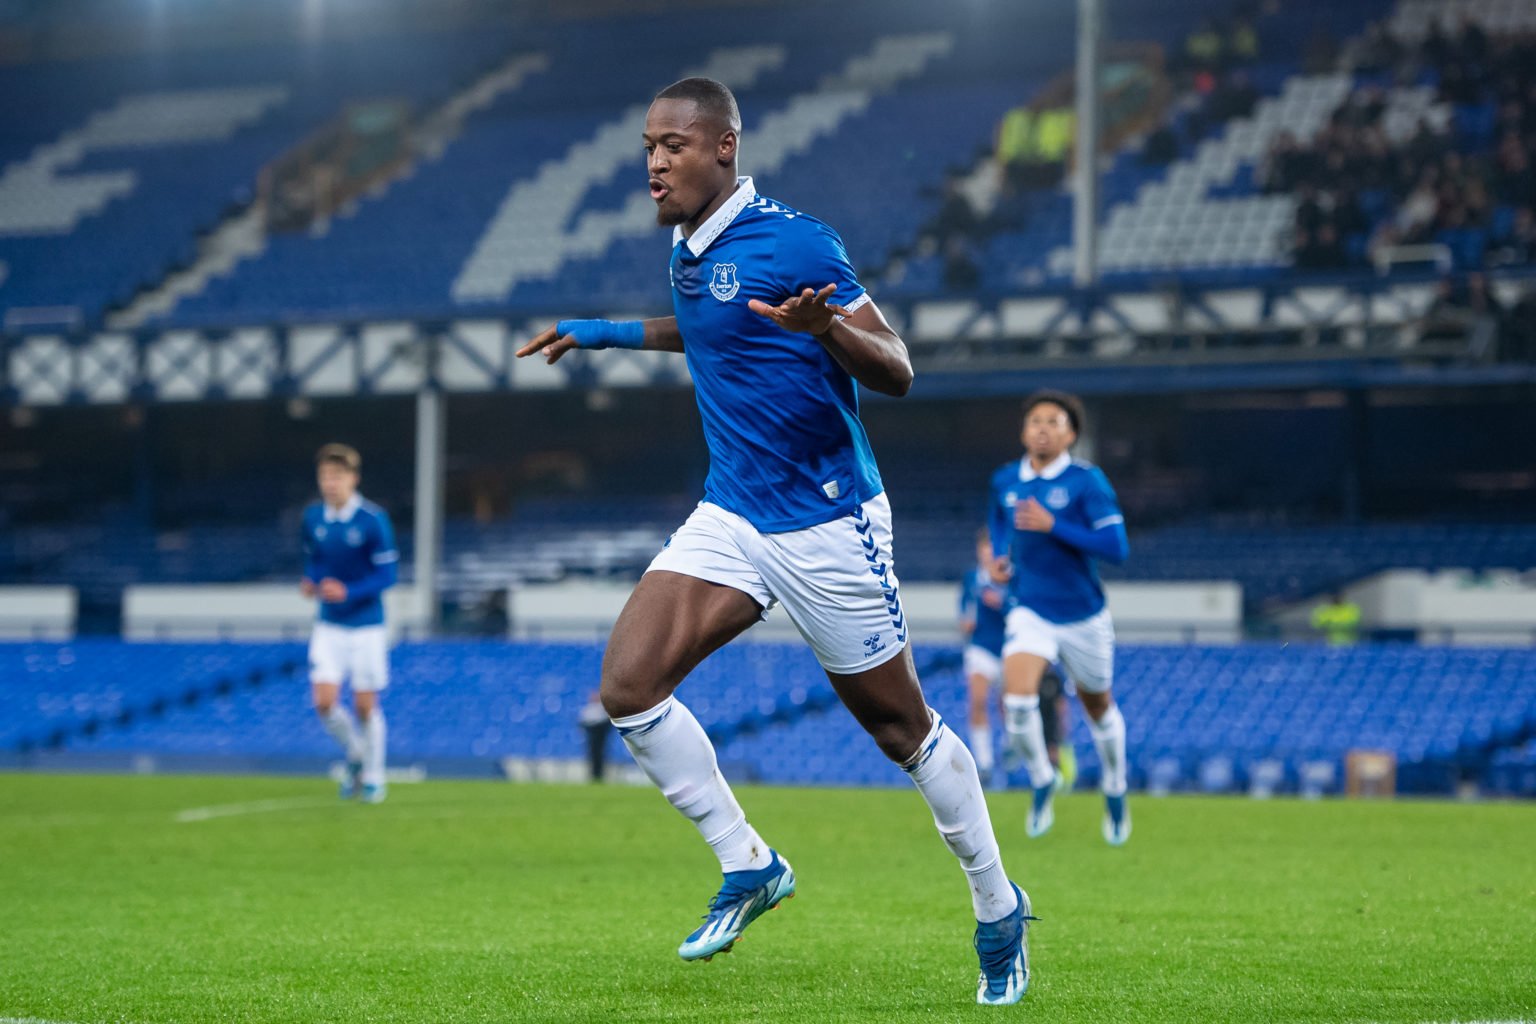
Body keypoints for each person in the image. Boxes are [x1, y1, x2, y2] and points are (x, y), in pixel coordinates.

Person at [517, 77, 1032, 1006]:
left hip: (829, 521)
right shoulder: (687, 245)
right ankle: (749, 864)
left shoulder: (798, 241)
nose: (654, 163)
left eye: (672, 145)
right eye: (646, 146)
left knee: (899, 729)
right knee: (628, 686)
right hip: (733, 512)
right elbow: (713, 333)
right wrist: (599, 333)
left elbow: (901, 370)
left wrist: (826, 325)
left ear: (724, 149)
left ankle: (998, 909)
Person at [986, 391, 1132, 846]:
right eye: (1035, 421)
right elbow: (996, 521)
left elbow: (1117, 548)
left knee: (1099, 707)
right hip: (1030, 608)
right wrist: (997, 556)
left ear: (1071, 433)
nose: (1043, 428)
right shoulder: (1006, 479)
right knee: (1017, 700)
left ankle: (1114, 785)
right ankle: (1041, 776)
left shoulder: (1088, 482)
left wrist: (1055, 527)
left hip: (1083, 614)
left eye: (1053, 421)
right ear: (1023, 430)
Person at [300, 444, 399, 803]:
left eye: (337, 476)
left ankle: (374, 775)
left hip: (367, 625)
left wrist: (350, 592)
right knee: (324, 702)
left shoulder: (372, 520)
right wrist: (311, 582)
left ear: (353, 479)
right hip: (329, 625)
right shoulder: (313, 518)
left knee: (363, 704)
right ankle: (356, 754)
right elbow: (313, 560)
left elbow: (388, 575)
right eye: (325, 475)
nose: (331, 483)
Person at [958, 529, 1008, 784]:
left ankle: (1011, 745)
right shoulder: (971, 578)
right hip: (981, 647)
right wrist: (965, 623)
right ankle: (984, 762)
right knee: (977, 700)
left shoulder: (1009, 576)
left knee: (1008, 706)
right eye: (984, 546)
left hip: (1008, 649)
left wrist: (1000, 602)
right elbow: (964, 609)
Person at [579, 690, 613, 782]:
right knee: (592, 755)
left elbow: (607, 724)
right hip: (591, 738)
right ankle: (593, 774)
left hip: (600, 738)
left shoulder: (602, 710)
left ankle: (599, 774)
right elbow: (582, 723)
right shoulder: (588, 709)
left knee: (600, 755)